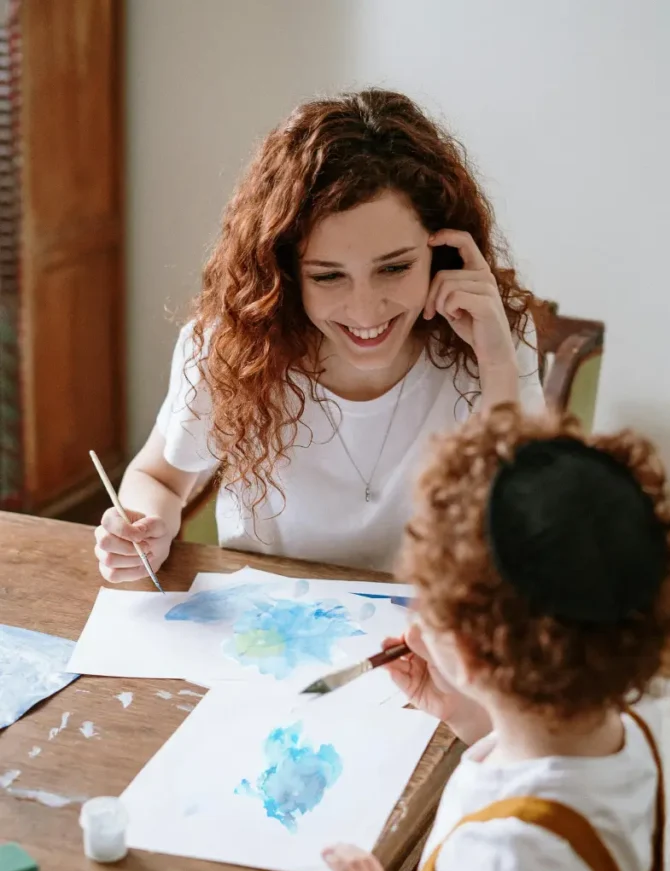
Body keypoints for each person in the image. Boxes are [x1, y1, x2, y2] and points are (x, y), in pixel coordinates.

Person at [319, 404, 670, 871]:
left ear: (465, 651)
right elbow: (552, 785)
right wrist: (469, 713)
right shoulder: (626, 730)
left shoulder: (508, 863)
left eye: (423, 605)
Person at [94, 89, 545, 579]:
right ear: (285, 271)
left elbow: (531, 535)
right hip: (266, 638)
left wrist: (498, 364)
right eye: (328, 276)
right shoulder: (232, 345)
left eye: (394, 268)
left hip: (431, 639)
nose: (365, 309)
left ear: (442, 251)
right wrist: (145, 525)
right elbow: (157, 477)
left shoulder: (493, 333)